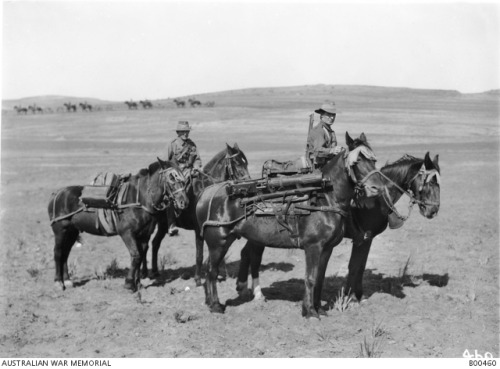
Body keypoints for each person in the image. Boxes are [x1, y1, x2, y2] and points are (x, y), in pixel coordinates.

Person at [165, 121, 203, 236]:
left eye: (187, 131)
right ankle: (171, 223)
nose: (186, 134)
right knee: (173, 193)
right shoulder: (172, 144)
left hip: (189, 171)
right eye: (183, 132)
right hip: (176, 173)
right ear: (178, 132)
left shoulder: (192, 144)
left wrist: (196, 168)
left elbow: (197, 159)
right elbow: (166, 162)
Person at [306, 101, 343, 168]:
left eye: (333, 115)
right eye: (329, 114)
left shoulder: (330, 131)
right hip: (319, 167)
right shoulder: (318, 131)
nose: (332, 117)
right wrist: (332, 150)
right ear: (322, 115)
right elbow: (317, 150)